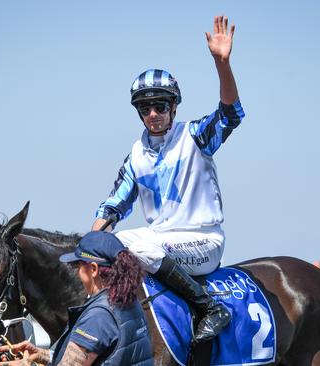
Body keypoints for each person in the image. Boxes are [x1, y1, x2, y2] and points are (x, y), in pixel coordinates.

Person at [90, 15, 244, 343]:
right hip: (158, 243)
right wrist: (89, 246)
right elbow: (113, 207)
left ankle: (211, 308)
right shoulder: (136, 155)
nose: (153, 114)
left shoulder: (195, 136)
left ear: (173, 107)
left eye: (160, 105)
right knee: (106, 247)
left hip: (203, 242)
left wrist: (222, 64)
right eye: (145, 108)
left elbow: (230, 114)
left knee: (135, 244)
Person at [0, 231, 153, 365]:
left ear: (93, 269)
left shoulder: (98, 316)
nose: (77, 272)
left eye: (78, 266)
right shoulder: (129, 301)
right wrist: (43, 355)